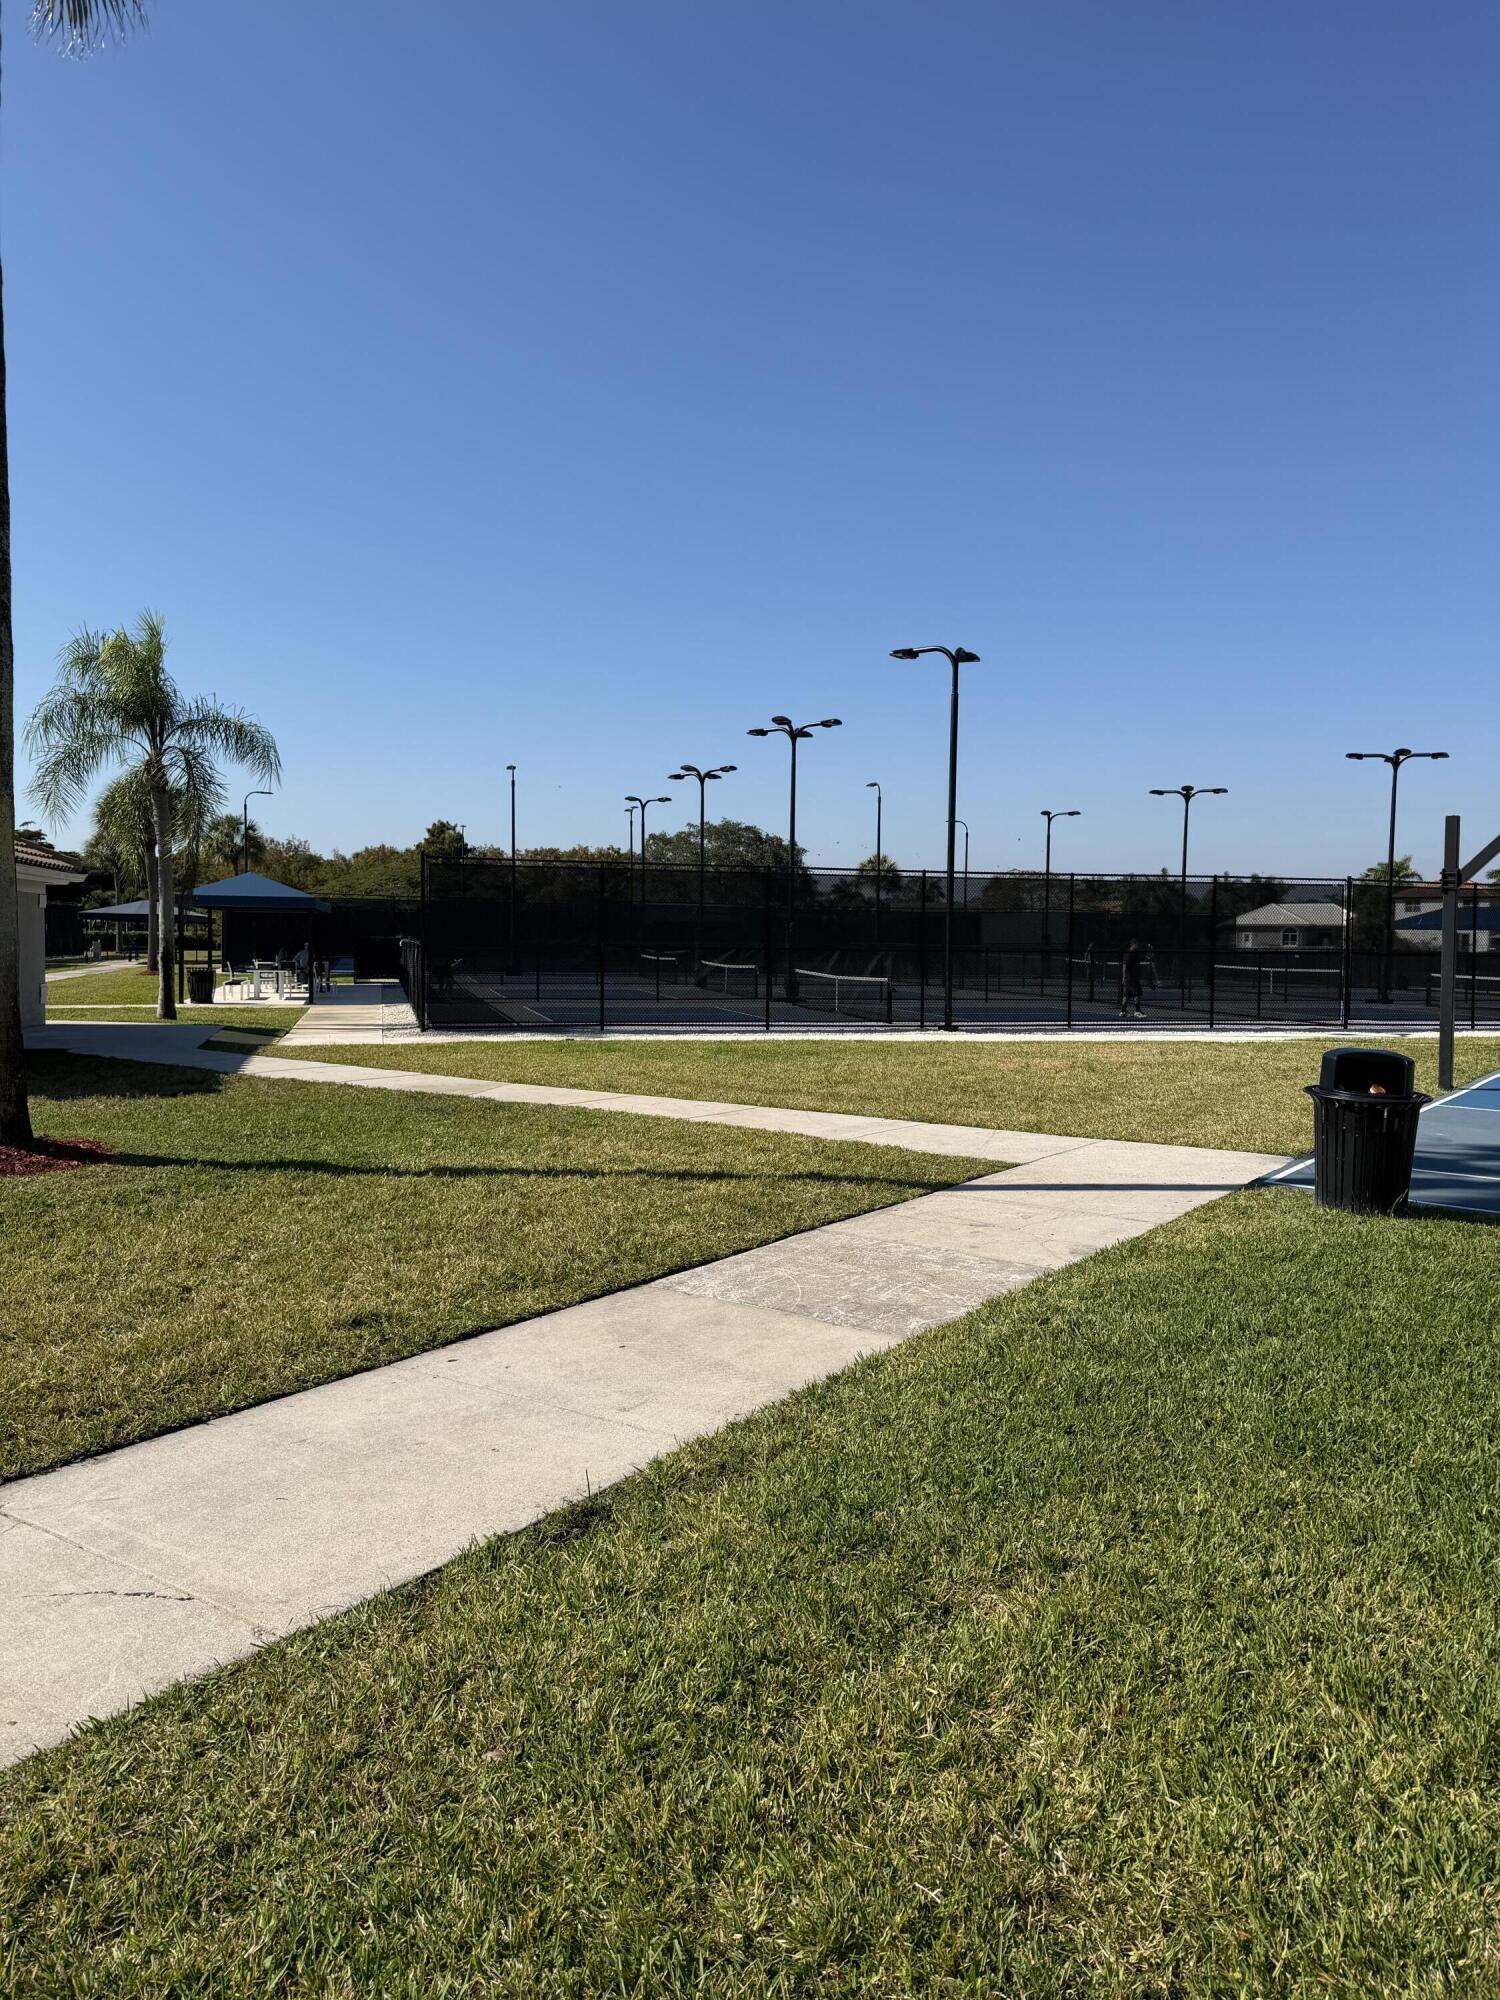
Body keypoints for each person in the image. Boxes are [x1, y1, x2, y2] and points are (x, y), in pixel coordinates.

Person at [1119, 937, 1145, 1019]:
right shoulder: (1129, 953)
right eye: (1137, 944)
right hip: (1130, 978)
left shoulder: (1135, 954)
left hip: (1131, 977)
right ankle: (1137, 1011)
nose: (1138, 946)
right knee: (1137, 993)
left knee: (1126, 995)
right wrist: (1124, 977)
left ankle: (1123, 1011)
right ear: (1134, 944)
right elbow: (1124, 965)